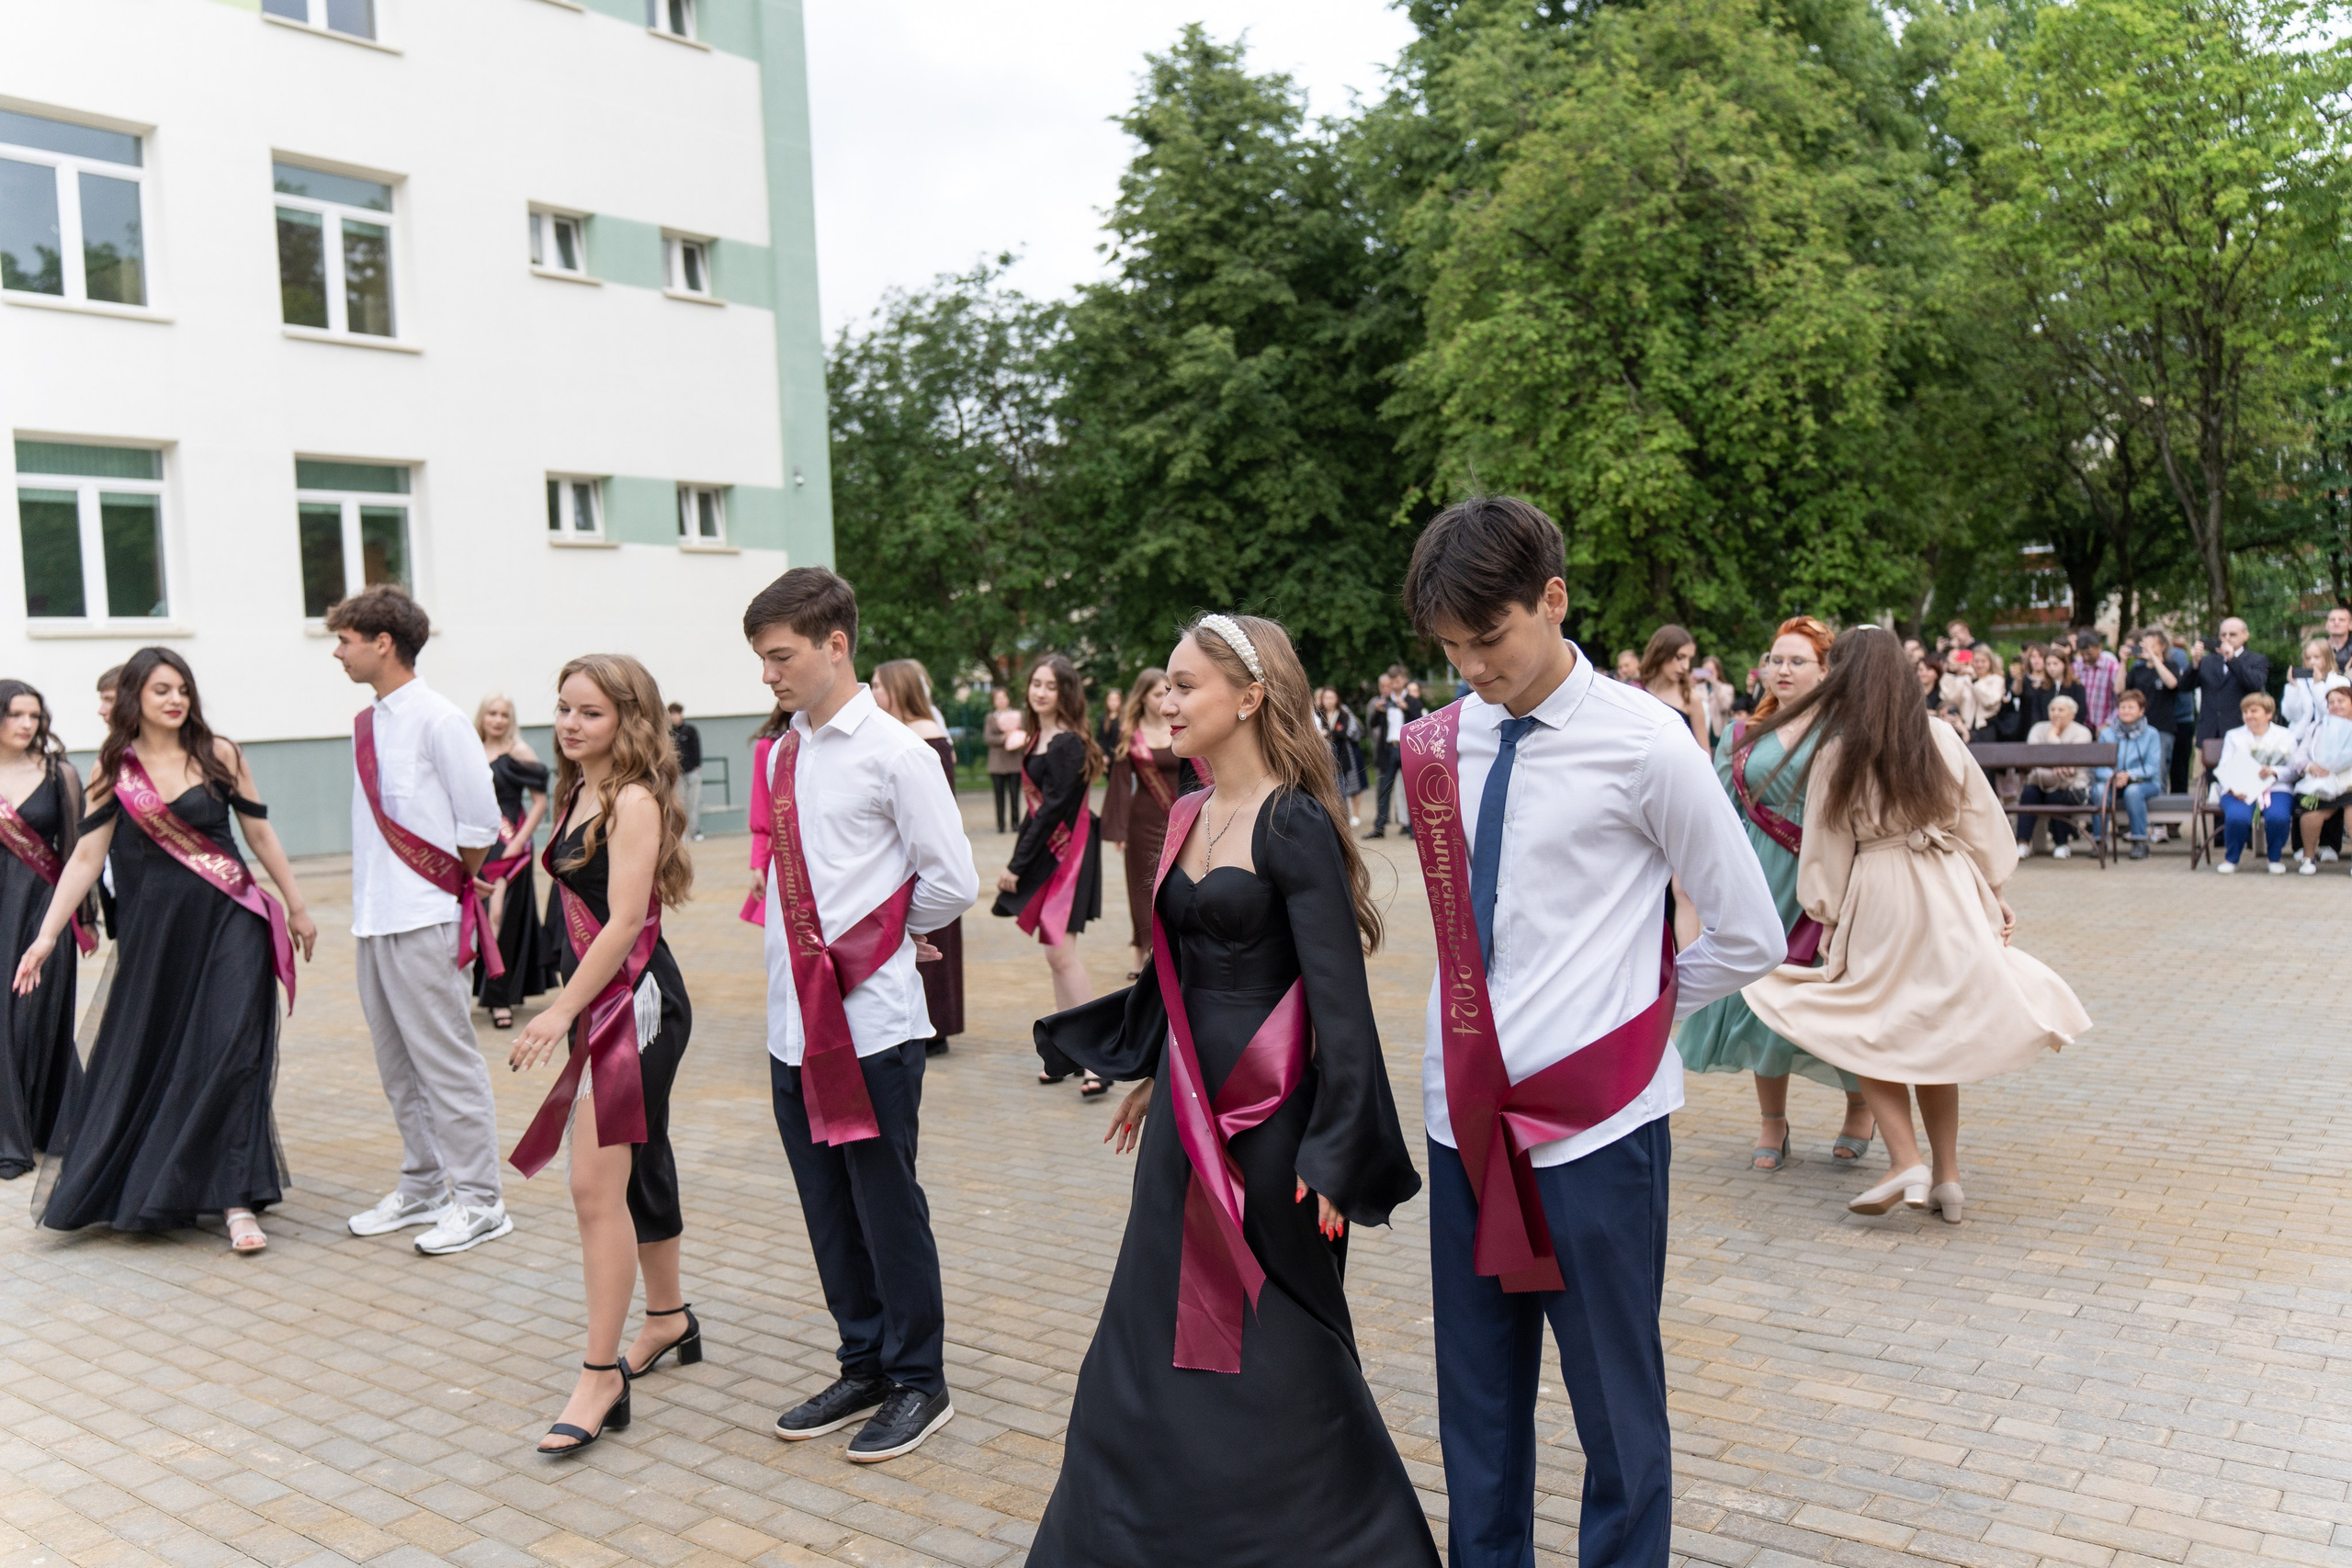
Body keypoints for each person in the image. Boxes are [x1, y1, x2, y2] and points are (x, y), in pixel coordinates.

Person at [1398, 498, 1783, 1568]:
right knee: (1475, 1402)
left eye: (1491, 638)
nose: (1472, 667)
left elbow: (1749, 930)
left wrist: (1635, 1024)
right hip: (1462, 1122)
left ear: (1553, 600)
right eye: (1449, 646)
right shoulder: (1435, 749)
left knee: (1615, 1409)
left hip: (1594, 1136)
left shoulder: (1644, 741)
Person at [1028, 612, 1436, 1568]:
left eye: (1186, 684)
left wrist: (1336, 1156)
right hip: (1184, 1111)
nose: (1165, 699)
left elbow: (1341, 1010)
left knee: (1277, 1334)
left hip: (1275, 1123)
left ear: (1250, 697)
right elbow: (1172, 967)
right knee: (1151, 1318)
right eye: (1164, 683)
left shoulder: (1291, 823)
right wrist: (1148, 1070)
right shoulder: (1182, 813)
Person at [749, 569, 977, 1464]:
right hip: (789, 1024)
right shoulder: (786, 751)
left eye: (781, 657)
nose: (768, 675)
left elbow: (950, 878)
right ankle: (864, 1362)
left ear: (835, 644)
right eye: (762, 659)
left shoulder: (895, 753)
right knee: (827, 1208)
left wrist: (889, 936)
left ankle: (920, 1380)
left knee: (886, 1207)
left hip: (869, 1025)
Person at [1745, 626, 2087, 1224]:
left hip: (1881, 893)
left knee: (1868, 1022)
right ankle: (1947, 1179)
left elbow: (1828, 848)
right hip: (1948, 886)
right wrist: (1995, 892)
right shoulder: (1939, 735)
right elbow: (1981, 819)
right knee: (1937, 1031)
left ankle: (1906, 1159)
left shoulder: (1838, 749)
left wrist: (1826, 917)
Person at [17, 648, 317, 1251]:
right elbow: (84, 856)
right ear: (135, 697)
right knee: (158, 1054)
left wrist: (297, 903)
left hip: (232, 917)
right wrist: (47, 936)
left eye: (182, 687)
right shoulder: (114, 767)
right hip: (158, 935)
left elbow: (258, 830)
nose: (176, 698)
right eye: (161, 689)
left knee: (233, 1049)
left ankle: (236, 1198)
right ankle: (163, 1174)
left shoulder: (220, 753)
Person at [506, 654, 698, 1455]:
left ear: (629, 718)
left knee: (593, 1184)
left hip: (638, 1004)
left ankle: (599, 1375)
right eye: (562, 709)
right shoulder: (577, 787)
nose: (570, 724)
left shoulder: (630, 800)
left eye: (589, 712)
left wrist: (558, 1011)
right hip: (605, 1000)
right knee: (634, 1165)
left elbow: (623, 922)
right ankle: (668, 1316)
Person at [328, 586, 514, 1258]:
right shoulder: (370, 721)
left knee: (447, 1063)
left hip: (425, 914)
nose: (337, 650)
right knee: (397, 1063)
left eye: (345, 639)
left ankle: (482, 1199)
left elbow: (479, 819)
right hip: (373, 917)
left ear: (383, 641)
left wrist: (452, 881)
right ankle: (424, 1182)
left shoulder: (439, 719)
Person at [1677, 617, 1876, 1172]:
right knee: (1760, 1002)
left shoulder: (1848, 730)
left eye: (1796, 661)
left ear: (1825, 670)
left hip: (1824, 882)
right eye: (1775, 660)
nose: (1782, 670)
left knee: (1833, 1000)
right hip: (1756, 880)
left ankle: (1861, 1105)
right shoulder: (1742, 734)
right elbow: (1718, 811)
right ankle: (1773, 1122)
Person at [996, 653, 1109, 1095]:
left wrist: (1016, 864)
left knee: (1063, 954)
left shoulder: (1067, 743)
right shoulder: (1038, 738)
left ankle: (1099, 1058)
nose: (1040, 691)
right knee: (1054, 955)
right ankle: (1068, 1052)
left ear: (1065, 693)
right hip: (1049, 853)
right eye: (1036, 684)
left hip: (1070, 855)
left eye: (1050, 685)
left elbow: (1053, 812)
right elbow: (1036, 813)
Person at [0, 681, 87, 1179]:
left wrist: (84, 917)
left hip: (42, 912)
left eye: (34, 715)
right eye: (15, 714)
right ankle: (10, 1138)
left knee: (34, 1016)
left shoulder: (61, 775)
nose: (27, 724)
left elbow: (78, 850)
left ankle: (48, 1125)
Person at [872, 660, 965, 1056]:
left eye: (877, 685)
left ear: (898, 688)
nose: (872, 692)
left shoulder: (925, 737)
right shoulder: (904, 734)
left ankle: (936, 1024)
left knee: (932, 941)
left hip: (923, 856)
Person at [1102, 667, 1194, 980]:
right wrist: (1119, 829)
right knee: (1142, 887)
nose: (1166, 698)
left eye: (1169, 690)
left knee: (1173, 885)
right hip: (1142, 821)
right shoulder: (1130, 733)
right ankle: (1141, 952)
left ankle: (1168, 949)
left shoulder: (1179, 726)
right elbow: (1117, 783)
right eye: (1159, 693)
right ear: (1142, 698)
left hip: (1179, 818)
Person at [473, 694, 557, 1029]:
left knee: (500, 916)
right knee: (475, 917)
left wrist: (519, 841)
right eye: (492, 713)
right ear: (482, 716)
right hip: (476, 844)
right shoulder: (470, 749)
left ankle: (499, 998)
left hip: (509, 846)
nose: (497, 720)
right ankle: (483, 988)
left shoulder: (519, 752)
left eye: (504, 714)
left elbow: (540, 803)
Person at [2211, 692, 2297, 874]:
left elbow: (2294, 770)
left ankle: (2274, 857)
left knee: (2278, 817)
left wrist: (2273, 772)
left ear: (2268, 714)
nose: (2248, 715)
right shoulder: (2234, 736)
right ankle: (2231, 858)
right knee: (2237, 817)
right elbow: (2224, 766)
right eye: (2245, 711)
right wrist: (2234, 788)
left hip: (2276, 789)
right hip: (2238, 790)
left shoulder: (2286, 736)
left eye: (2254, 711)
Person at [2017, 694, 2095, 859]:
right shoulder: (2038, 728)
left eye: (2061, 710)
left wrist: (2053, 738)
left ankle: (2061, 843)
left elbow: (2072, 765)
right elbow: (2032, 757)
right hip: (2038, 782)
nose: (2056, 713)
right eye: (2052, 709)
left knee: (2055, 795)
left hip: (2069, 785)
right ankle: (2022, 843)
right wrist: (2057, 763)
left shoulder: (2082, 732)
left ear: (2072, 714)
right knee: (2028, 793)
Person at [2098, 688, 2165, 859]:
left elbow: (2152, 767)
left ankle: (2139, 842)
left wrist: (2129, 775)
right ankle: (2099, 842)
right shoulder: (2106, 734)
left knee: (2133, 792)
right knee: (2099, 791)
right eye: (2122, 707)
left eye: (2131, 707)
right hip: (2114, 782)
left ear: (2141, 711)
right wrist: (2113, 777)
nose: (2126, 711)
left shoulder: (2151, 734)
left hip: (2145, 783)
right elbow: (2098, 766)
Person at [2183, 618, 2271, 748]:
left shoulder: (2256, 660)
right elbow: (2184, 686)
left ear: (2245, 635)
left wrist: (2232, 659)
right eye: (2223, 635)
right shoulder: (2208, 661)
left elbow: (2255, 685)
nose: (2227, 638)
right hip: (2210, 732)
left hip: (2240, 729)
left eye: (2232, 634)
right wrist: (2195, 663)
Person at [2294, 685, 2352, 874]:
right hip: (2319, 783)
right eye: (2331, 702)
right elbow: (2300, 757)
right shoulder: (2316, 727)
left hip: (2349, 785)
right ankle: (2308, 858)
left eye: (2341, 701)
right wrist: (2312, 767)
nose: (2336, 705)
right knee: (2311, 811)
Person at [2124, 629, 2188, 799]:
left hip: (2162, 728)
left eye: (2152, 645)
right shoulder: (2138, 670)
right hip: (2137, 729)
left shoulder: (2171, 665)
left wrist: (2155, 659)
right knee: (2135, 772)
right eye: (2145, 645)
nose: (2147, 649)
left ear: (2163, 646)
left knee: (2159, 774)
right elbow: (2119, 690)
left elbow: (2172, 683)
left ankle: (2159, 821)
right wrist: (2123, 662)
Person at [1638, 623, 1711, 748]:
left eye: (1689, 659)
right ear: (1661, 652)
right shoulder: (1636, 690)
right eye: (1680, 657)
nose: (1686, 666)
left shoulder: (1690, 698)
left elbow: (1705, 757)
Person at [1365, 667, 1410, 838]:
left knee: (1409, 790)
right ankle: (1379, 827)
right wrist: (1377, 710)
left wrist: (1406, 708)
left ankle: (1413, 827)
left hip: (1406, 749)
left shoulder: (1411, 700)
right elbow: (1373, 723)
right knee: (1384, 789)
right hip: (1389, 749)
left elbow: (1418, 719)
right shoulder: (1384, 702)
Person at [1317, 685, 1368, 826]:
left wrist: (1328, 733)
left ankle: (1343, 820)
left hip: (1340, 755)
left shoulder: (1343, 714)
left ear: (1336, 699)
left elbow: (1342, 733)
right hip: (1324, 755)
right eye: (1326, 698)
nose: (1329, 701)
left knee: (1341, 789)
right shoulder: (1318, 713)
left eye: (1331, 698)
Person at [2281, 639, 2346, 741]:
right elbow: (2290, 715)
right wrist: (2293, 687)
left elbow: (2328, 712)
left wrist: (2318, 685)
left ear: (2327, 657)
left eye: (2317, 657)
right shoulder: (2300, 682)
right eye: (2308, 658)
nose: (2312, 662)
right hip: (2300, 737)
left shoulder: (2340, 682)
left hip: (2330, 737)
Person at [982, 685, 1025, 833]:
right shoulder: (990, 717)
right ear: (994, 701)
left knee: (1015, 794)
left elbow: (1024, 734)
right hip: (997, 763)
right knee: (999, 795)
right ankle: (1000, 824)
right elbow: (988, 738)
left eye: (1003, 697)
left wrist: (1016, 736)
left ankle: (1015, 823)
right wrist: (1004, 737)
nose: (1001, 701)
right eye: (998, 698)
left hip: (1014, 761)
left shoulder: (1018, 716)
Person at [2071, 629, 2124, 734]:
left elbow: (2121, 698)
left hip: (2105, 727)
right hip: (2080, 726)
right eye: (2082, 654)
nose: (2086, 657)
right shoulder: (2075, 667)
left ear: (2099, 647)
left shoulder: (2112, 668)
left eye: (2089, 654)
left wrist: (2108, 723)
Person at [667, 703, 705, 841]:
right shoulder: (669, 733)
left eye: (677, 713)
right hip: (677, 774)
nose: (675, 717)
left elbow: (696, 747)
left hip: (692, 772)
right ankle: (682, 832)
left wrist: (697, 765)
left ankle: (694, 831)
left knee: (693, 802)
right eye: (672, 714)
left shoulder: (690, 730)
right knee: (680, 803)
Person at [1094, 684, 1124, 757]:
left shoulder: (1124, 719)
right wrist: (1103, 755)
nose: (1113, 702)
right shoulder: (1103, 719)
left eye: (1116, 700)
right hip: (1107, 756)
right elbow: (1100, 740)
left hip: (1121, 755)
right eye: (1110, 699)